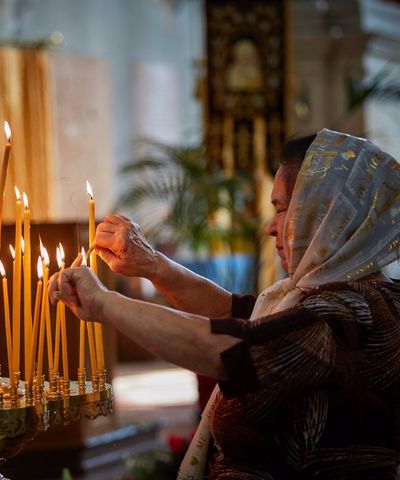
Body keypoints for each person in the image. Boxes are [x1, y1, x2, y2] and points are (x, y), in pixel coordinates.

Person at [49, 129, 400, 479]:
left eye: (281, 210)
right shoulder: (338, 294)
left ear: (326, 215)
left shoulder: (348, 312)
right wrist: (152, 265)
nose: (270, 228)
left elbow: (225, 347)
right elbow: (233, 312)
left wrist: (103, 302)